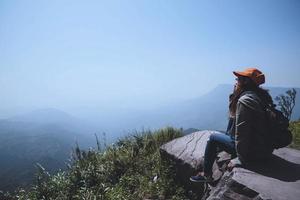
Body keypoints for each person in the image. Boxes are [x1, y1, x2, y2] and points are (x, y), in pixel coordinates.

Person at [190, 68, 274, 182]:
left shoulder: (246, 100)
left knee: (212, 138)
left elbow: (242, 133)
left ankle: (206, 175)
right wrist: (235, 95)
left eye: (238, 79)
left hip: (253, 151)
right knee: (229, 125)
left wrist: (240, 159)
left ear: (246, 82)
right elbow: (234, 118)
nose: (236, 81)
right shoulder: (260, 96)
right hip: (263, 146)